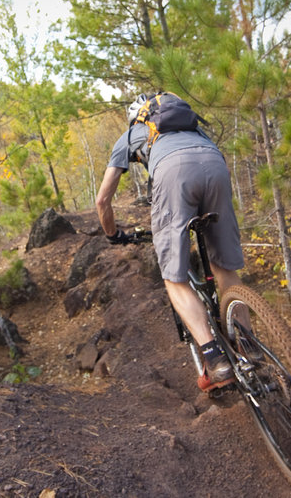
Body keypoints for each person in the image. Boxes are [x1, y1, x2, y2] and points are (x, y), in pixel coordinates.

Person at [95, 93, 245, 391]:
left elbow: (102, 199)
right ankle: (248, 348)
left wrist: (113, 234)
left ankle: (216, 361)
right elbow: (214, 161)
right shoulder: (193, 127)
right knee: (224, 265)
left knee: (174, 279)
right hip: (216, 167)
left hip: (173, 172)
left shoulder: (130, 135)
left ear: (137, 117)